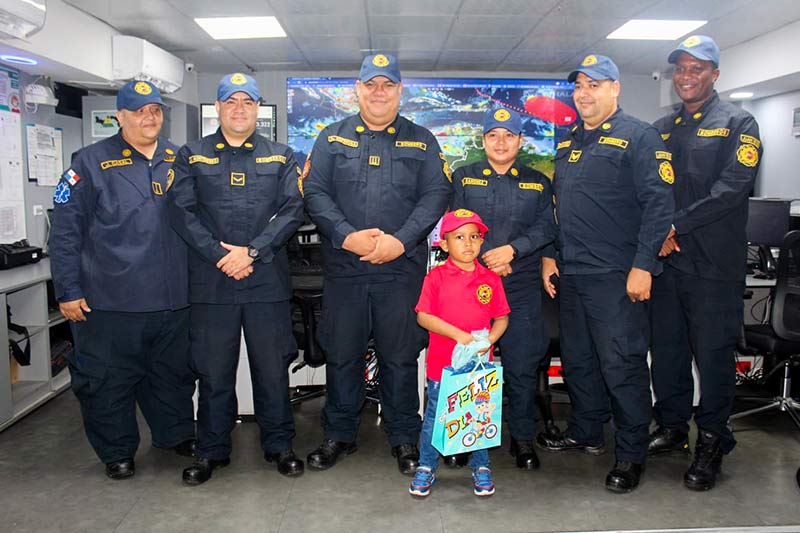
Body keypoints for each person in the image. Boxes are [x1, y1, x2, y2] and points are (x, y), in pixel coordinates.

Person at [301, 53, 452, 474]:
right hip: (346, 270)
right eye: (371, 84)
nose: (379, 92)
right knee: (342, 355)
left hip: (399, 271)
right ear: (358, 89)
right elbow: (314, 191)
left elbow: (436, 194)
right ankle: (339, 435)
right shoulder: (331, 138)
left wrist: (400, 241)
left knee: (399, 358)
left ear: (400, 91)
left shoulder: (422, 141)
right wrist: (346, 235)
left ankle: (404, 438)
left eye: (387, 85)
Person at [536, 55, 674, 493]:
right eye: (579, 85)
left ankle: (631, 454)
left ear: (615, 88)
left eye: (594, 85)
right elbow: (562, 208)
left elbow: (659, 206)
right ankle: (587, 430)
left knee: (622, 365)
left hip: (616, 275)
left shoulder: (640, 136)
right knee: (579, 361)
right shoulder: (570, 142)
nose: (584, 93)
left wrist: (644, 265)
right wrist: (551, 255)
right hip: (573, 274)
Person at [49, 80, 196, 479]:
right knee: (107, 381)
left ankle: (175, 434)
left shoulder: (179, 158)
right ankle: (117, 451)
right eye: (138, 111)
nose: (149, 117)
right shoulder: (89, 163)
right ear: (120, 116)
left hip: (174, 299)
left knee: (172, 375)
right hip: (111, 301)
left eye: (155, 110)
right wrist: (68, 289)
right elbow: (65, 232)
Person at [168, 73, 305, 485]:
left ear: (258, 108)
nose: (239, 108)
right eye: (231, 101)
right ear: (218, 108)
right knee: (213, 372)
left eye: (247, 101)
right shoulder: (191, 155)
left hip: (266, 280)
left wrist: (252, 252)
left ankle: (279, 445)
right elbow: (181, 212)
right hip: (212, 282)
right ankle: (211, 450)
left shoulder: (281, 156)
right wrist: (221, 256)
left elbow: (292, 210)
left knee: (272, 369)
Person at [648, 35, 763, 491]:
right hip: (667, 264)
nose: (687, 76)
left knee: (713, 358)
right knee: (668, 353)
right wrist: (657, 232)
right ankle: (673, 427)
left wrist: (673, 226)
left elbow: (731, 189)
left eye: (697, 68)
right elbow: (650, 190)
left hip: (713, 266)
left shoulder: (739, 122)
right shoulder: (661, 127)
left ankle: (714, 440)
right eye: (681, 68)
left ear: (715, 74)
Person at [451, 107, 555, 470]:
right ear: (483, 141)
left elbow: (546, 228)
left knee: (522, 365)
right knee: (469, 362)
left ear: (520, 141)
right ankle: (465, 438)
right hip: (472, 284)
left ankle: (522, 438)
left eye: (509, 135)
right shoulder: (463, 177)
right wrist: (487, 261)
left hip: (519, 284)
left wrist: (513, 251)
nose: (500, 142)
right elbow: (456, 226)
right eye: (493, 135)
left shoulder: (538, 182)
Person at [409, 209, 509, 498]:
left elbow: (502, 317)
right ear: (444, 243)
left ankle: (481, 466)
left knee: (479, 416)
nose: (468, 243)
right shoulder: (436, 277)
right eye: (460, 237)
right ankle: (426, 466)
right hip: (443, 366)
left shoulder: (490, 279)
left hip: (479, 367)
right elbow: (423, 317)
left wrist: (490, 339)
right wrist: (458, 335)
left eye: (474, 237)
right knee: (435, 418)